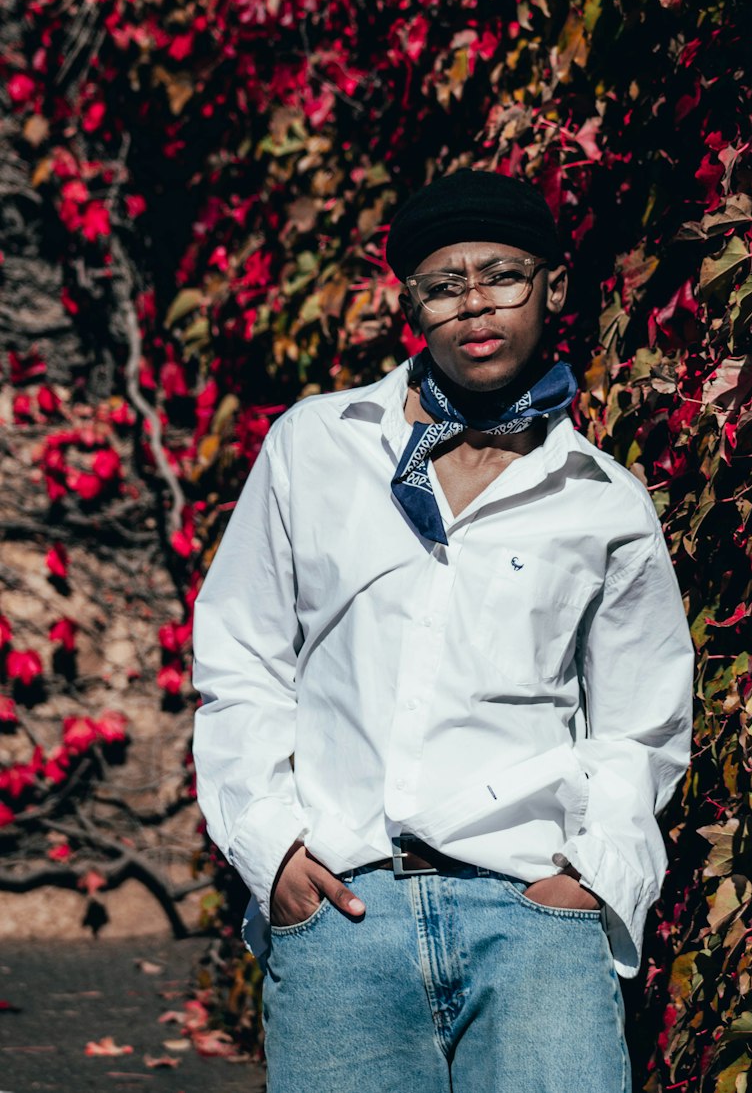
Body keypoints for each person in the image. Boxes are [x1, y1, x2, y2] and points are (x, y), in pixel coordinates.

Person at [192, 167, 694, 1092]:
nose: (476, 304)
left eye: (501, 274)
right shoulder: (316, 445)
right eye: (443, 283)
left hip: (532, 918)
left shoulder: (604, 503)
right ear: (413, 306)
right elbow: (244, 661)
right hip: (343, 912)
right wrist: (276, 853)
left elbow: (640, 727)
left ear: (552, 286)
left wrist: (590, 881)